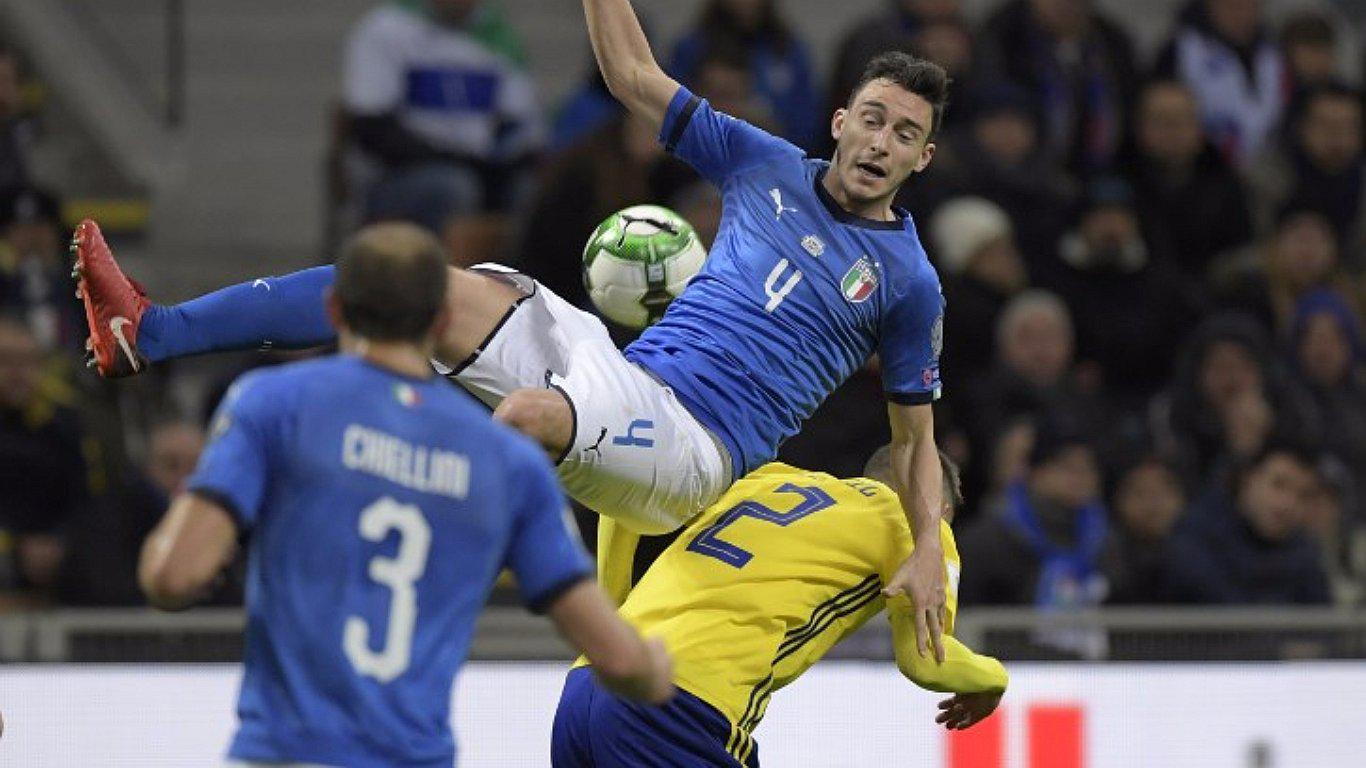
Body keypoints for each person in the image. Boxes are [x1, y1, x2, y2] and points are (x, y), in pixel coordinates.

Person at [77, 0, 954, 652]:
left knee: (530, 414)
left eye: (904, 133)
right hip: (624, 369)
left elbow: (913, 440)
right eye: (873, 119)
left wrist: (924, 550)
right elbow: (632, 75)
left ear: (923, 157)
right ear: (841, 121)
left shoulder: (909, 283)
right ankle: (149, 334)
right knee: (415, 287)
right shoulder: (765, 163)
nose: (881, 142)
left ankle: (395, 566)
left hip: (695, 449)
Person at [135, 223, 673, 768]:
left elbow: (172, 578)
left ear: (334, 311)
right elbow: (618, 659)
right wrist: (653, 667)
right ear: (442, 321)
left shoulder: (272, 404)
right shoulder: (506, 462)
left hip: (284, 751)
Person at [551, 450, 1007, 767]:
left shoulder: (768, 480)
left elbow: (622, 503)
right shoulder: (921, 528)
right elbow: (926, 660)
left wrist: (612, 618)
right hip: (680, 701)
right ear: (940, 506)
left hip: (585, 686)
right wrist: (993, 679)